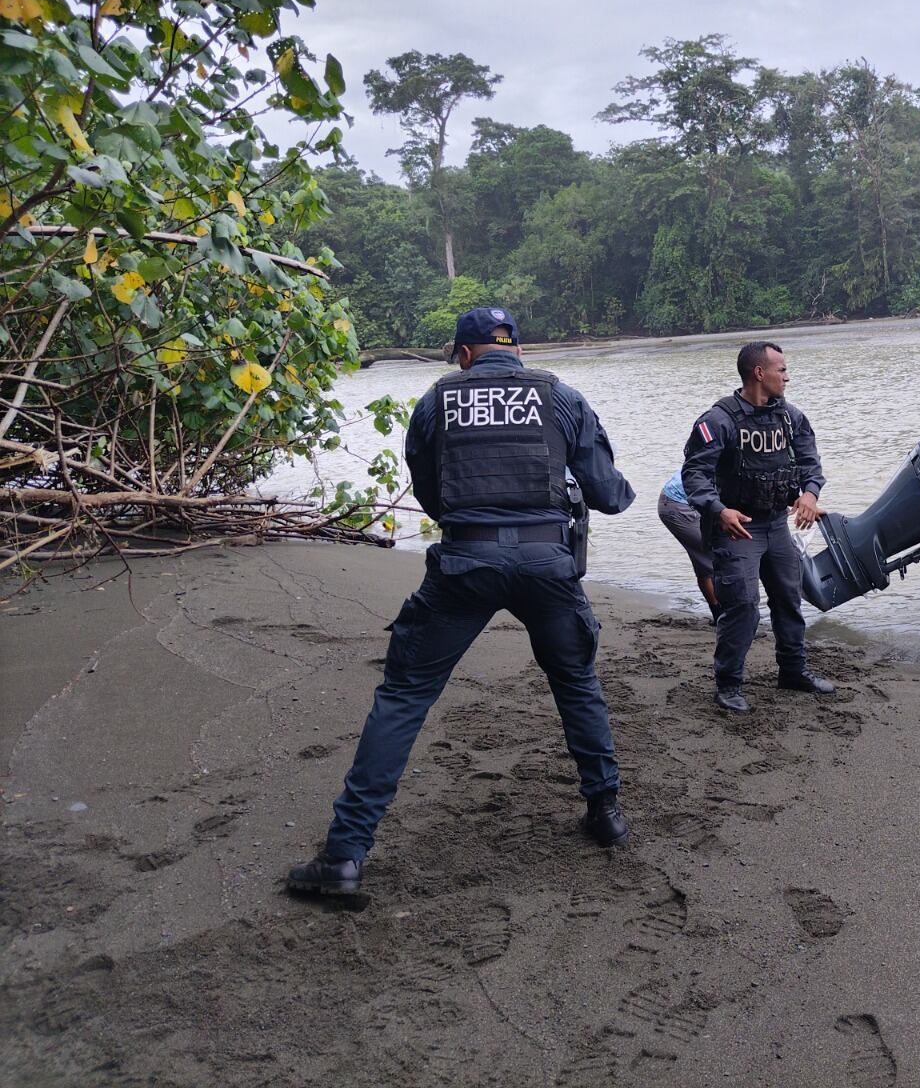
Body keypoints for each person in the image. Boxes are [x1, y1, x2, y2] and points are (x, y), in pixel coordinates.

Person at [287, 307, 636, 896]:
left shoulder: (436, 401)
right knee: (576, 683)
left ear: (465, 353)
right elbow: (607, 492)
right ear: (517, 351)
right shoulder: (562, 397)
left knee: (402, 696)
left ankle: (345, 856)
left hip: (463, 565)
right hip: (547, 566)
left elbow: (429, 490)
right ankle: (606, 814)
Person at [681, 341, 833, 714]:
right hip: (737, 529)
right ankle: (729, 684)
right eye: (781, 369)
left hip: (777, 524)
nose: (787, 375)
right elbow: (694, 474)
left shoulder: (791, 417)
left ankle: (793, 672)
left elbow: (811, 464)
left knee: (788, 599)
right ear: (759, 373)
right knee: (743, 606)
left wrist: (809, 496)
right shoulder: (718, 420)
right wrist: (719, 511)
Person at [658, 469, 718, 619]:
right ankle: (730, 620)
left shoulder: (711, 449)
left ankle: (720, 616)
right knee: (720, 560)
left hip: (676, 501)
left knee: (704, 564)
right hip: (680, 505)